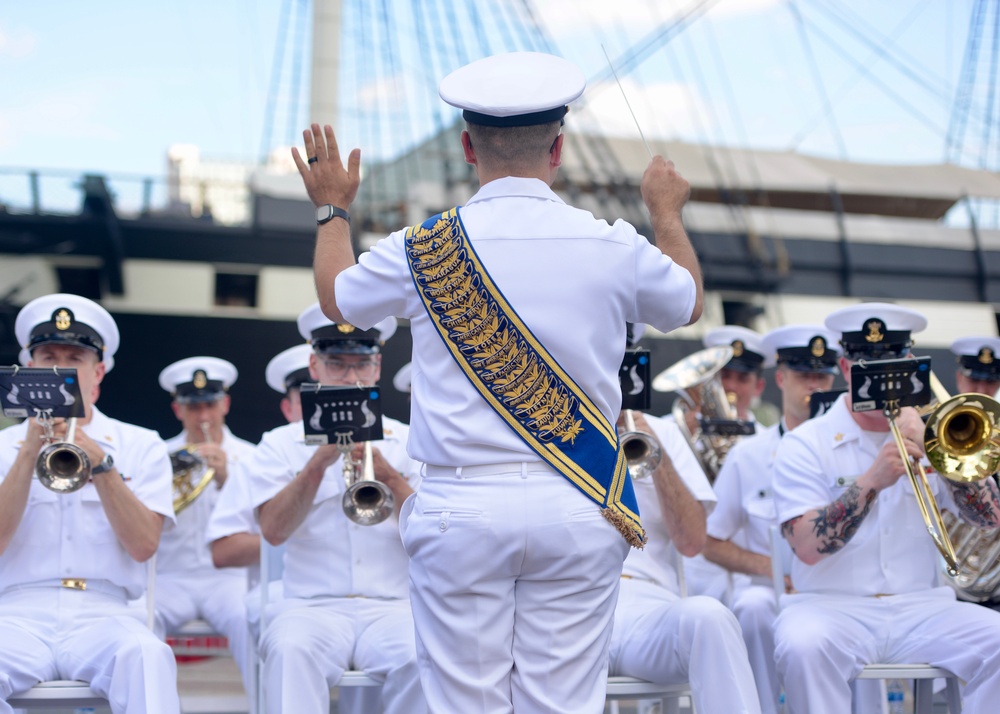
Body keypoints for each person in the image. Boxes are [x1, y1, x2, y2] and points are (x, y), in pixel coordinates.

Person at [296, 50, 702, 712]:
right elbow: (686, 302)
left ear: (466, 147)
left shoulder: (421, 248)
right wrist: (666, 213)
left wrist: (332, 211)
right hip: (578, 495)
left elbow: (340, 299)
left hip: (463, 507)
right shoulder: (611, 242)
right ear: (559, 148)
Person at [773, 302, 1000, 714]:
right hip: (830, 606)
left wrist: (940, 454)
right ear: (845, 370)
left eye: (894, 365)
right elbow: (805, 546)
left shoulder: (934, 430)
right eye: (868, 368)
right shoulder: (804, 443)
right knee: (801, 644)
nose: (884, 379)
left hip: (922, 608)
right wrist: (872, 481)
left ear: (912, 364)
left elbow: (988, 518)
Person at [0, 293, 180, 714]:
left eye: (75, 357)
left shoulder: (141, 444)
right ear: (29, 368)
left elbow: (143, 546)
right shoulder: (3, 446)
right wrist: (28, 452)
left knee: (148, 657)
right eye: (48, 356)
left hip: (104, 611)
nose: (61, 367)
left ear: (97, 373)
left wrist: (101, 464)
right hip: (16, 613)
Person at [246, 303, 426, 714]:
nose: (350, 377)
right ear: (314, 366)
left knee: (423, 656)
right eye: (336, 364)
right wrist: (317, 464)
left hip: (394, 605)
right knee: (289, 651)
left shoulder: (409, 441)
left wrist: (388, 475)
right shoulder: (278, 443)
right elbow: (272, 531)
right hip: (311, 605)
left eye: (361, 364)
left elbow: (431, 532)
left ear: (377, 367)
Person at [702, 324, 839, 714]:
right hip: (770, 590)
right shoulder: (748, 455)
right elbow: (711, 541)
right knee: (752, 606)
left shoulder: (847, 452)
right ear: (780, 378)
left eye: (822, 375)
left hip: (836, 590)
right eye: (803, 375)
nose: (813, 384)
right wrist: (775, 570)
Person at [610, 406, 761, 714]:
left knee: (711, 617)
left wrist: (655, 452)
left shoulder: (660, 431)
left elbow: (692, 543)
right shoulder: (550, 424)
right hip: (574, 604)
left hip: (648, 606)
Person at [155, 356, 257, 690]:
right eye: (193, 407)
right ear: (177, 410)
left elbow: (267, 528)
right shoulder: (157, 458)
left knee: (251, 620)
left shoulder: (253, 457)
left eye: (210, 405)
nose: (203, 416)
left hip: (228, 579)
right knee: (138, 623)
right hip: (171, 575)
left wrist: (229, 479)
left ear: (224, 404)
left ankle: (262, 705)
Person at [681, 325, 772, 602]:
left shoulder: (773, 445)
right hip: (686, 574)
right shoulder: (677, 433)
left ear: (758, 386)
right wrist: (682, 437)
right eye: (724, 376)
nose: (731, 386)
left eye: (742, 378)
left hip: (749, 584)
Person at [207, 343, 314, 574]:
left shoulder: (385, 448)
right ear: (287, 409)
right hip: (282, 592)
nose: (320, 409)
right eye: (309, 400)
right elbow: (223, 551)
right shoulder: (256, 461)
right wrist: (303, 540)